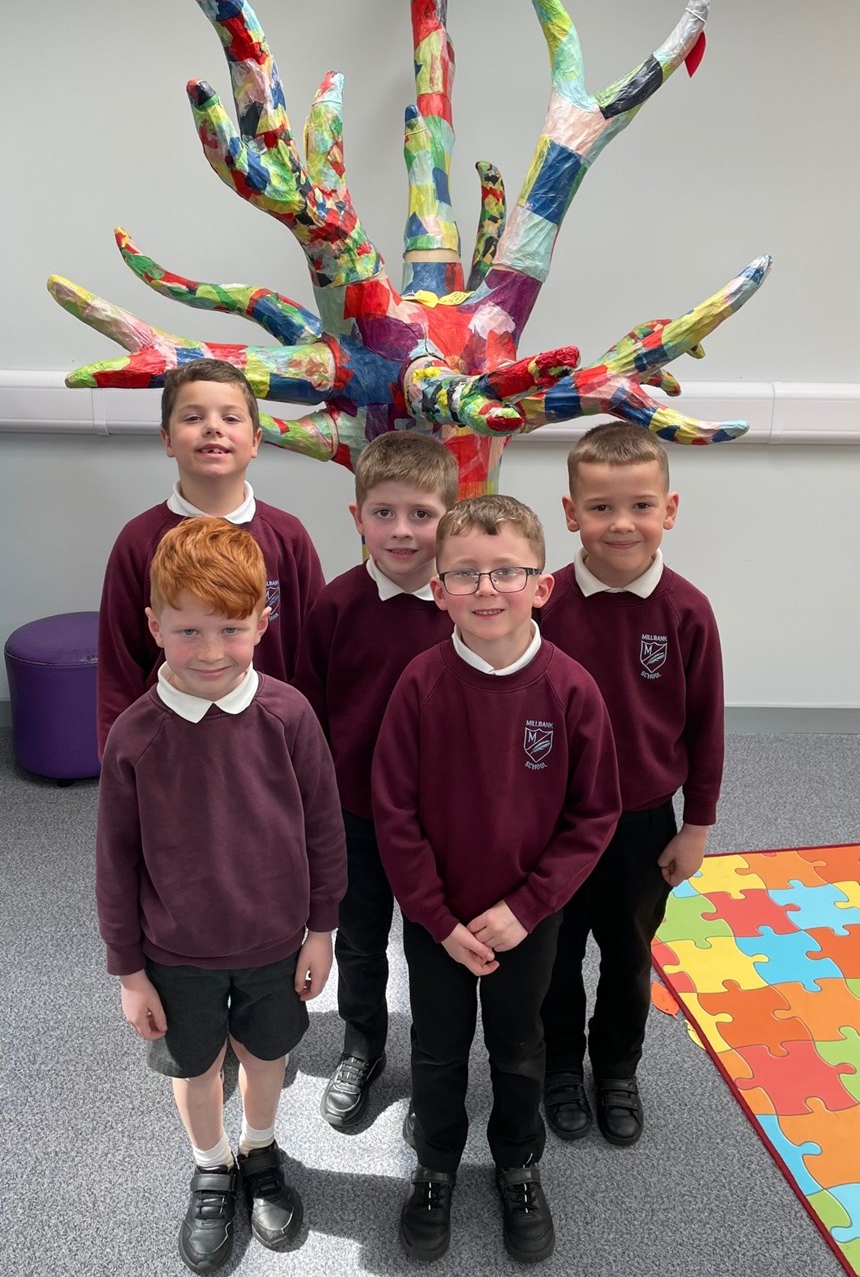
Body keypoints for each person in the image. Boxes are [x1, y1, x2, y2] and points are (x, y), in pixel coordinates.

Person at [372, 495, 621, 1265]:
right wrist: (437, 919)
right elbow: (394, 812)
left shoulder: (573, 689)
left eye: (507, 572)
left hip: (527, 919)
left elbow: (594, 816)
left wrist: (528, 907)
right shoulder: (418, 684)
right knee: (440, 1049)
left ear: (542, 585)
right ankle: (437, 1167)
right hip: (434, 920)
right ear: (437, 590)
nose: (487, 590)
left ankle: (518, 1164)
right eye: (466, 575)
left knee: (521, 1046)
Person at [96, 517, 346, 1273]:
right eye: (189, 631)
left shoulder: (290, 715)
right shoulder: (134, 737)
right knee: (195, 1068)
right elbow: (114, 859)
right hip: (175, 952)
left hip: (274, 940)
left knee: (266, 1054)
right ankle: (212, 1165)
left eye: (232, 630)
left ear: (263, 623)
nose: (211, 652)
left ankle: (260, 1151)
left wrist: (322, 929)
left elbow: (324, 829)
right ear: (154, 627)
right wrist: (129, 971)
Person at [539, 422, 724, 1150]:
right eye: (602, 507)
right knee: (554, 954)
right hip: (554, 825)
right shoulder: (542, 603)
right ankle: (560, 1065)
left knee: (627, 954)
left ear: (670, 511)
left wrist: (697, 825)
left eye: (641, 506)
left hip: (646, 822)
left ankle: (616, 1067)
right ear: (570, 511)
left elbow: (706, 724)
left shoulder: (687, 611)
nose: (622, 524)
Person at [293, 431, 458, 1129]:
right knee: (360, 941)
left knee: (431, 944)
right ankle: (362, 1048)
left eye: (421, 514)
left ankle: (434, 1067)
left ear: (449, 518)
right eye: (384, 513)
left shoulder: (466, 609)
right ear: (357, 517)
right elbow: (305, 713)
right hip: (353, 815)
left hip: (440, 822)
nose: (401, 531)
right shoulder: (335, 606)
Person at [96, 359, 324, 756]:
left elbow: (314, 653)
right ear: (168, 440)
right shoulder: (138, 541)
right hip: (169, 743)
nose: (213, 427)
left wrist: (312, 746)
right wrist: (116, 755)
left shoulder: (288, 537)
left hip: (271, 742)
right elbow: (119, 661)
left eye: (230, 417)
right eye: (193, 416)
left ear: (255, 441)